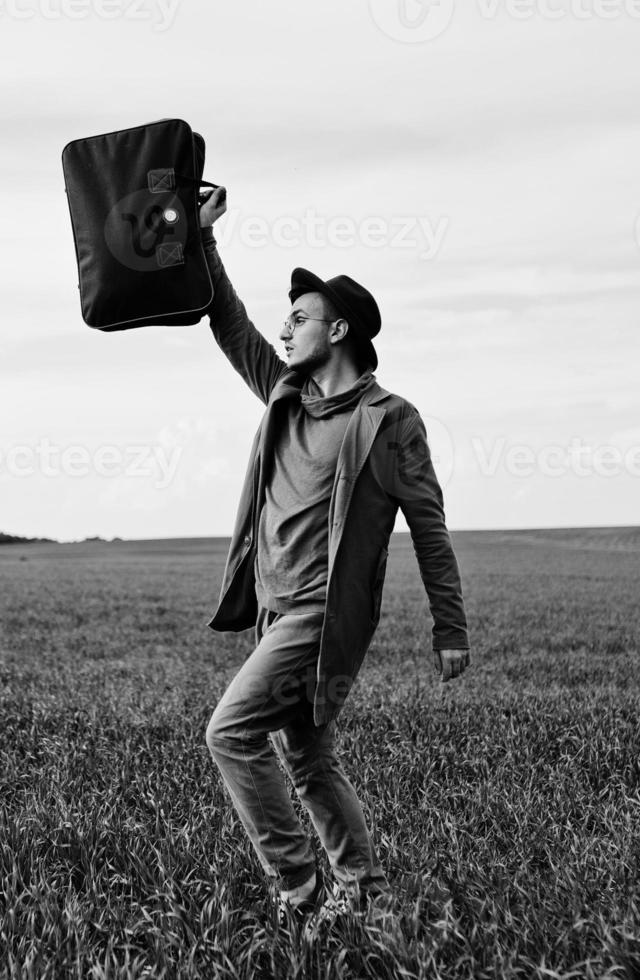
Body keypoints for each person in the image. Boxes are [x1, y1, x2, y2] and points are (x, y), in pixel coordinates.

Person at [196, 185, 472, 935]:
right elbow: (228, 324)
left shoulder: (389, 421)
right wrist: (203, 239)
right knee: (310, 762)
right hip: (272, 612)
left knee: (229, 734)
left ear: (339, 328)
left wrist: (450, 628)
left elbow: (429, 526)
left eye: (299, 318)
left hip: (321, 617)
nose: (283, 330)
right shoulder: (282, 395)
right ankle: (366, 891)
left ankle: (303, 893)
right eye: (284, 319)